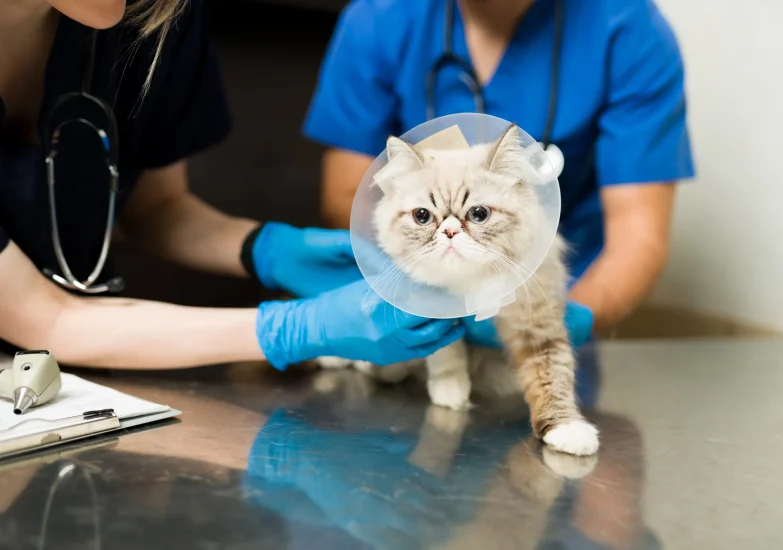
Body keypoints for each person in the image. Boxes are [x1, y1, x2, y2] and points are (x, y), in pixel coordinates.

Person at [0, 0, 465, 370]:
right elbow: (47, 317)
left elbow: (155, 210)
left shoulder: (152, 15)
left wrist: (269, 249)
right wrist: (296, 329)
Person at [303, 0, 695, 336]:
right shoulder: (381, 18)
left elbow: (637, 237)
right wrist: (424, 292)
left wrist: (560, 324)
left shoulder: (626, 28)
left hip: (554, 293)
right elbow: (346, 197)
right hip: (411, 302)